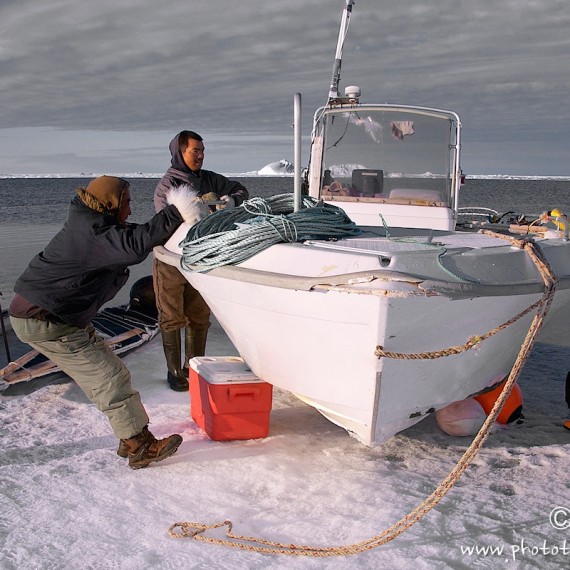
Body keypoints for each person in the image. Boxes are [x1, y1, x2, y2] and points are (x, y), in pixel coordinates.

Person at [9, 176, 207, 469]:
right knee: (107, 378)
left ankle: (129, 437)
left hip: (61, 315)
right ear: (111, 203)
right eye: (126, 203)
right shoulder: (91, 233)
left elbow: (135, 234)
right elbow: (134, 245)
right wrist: (178, 211)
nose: (129, 209)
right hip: (46, 320)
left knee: (112, 373)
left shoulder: (91, 224)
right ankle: (139, 445)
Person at [153, 130, 249, 391]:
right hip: (171, 260)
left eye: (202, 151)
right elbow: (165, 220)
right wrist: (190, 211)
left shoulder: (210, 179)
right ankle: (174, 372)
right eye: (195, 151)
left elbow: (241, 189)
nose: (200, 156)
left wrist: (232, 201)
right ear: (179, 152)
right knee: (171, 315)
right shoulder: (168, 185)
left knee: (199, 315)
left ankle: (193, 367)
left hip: (202, 258)